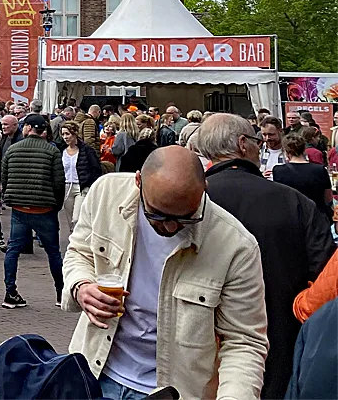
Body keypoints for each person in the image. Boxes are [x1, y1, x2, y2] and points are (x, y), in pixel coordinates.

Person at [63, 146, 269, 399]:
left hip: (175, 392)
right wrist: (81, 286)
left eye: (187, 217)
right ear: (138, 182)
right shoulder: (106, 192)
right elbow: (79, 252)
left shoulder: (236, 245)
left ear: (204, 187)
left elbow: (243, 342)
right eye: (157, 215)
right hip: (94, 374)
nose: (171, 226)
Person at [195, 114, 334, 398]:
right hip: (277, 341)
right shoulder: (294, 202)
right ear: (243, 144)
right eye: (259, 142)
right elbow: (325, 273)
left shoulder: (192, 201)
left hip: (201, 342)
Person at [0, 114, 64, 309]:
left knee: (13, 250)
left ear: (27, 128)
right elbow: (59, 182)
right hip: (44, 208)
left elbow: (4, 176)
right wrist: (56, 204)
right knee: (53, 252)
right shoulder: (52, 151)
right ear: (44, 130)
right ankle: (60, 293)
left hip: (19, 208)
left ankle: (10, 292)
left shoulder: (13, 149)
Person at [272, 131, 333, 221]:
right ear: (304, 148)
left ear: (286, 151)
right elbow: (328, 198)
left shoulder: (278, 171)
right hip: (317, 218)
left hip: (292, 218)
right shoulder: (319, 170)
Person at [58, 123, 102, 238]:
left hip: (81, 186)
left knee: (76, 218)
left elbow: (96, 168)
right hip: (67, 187)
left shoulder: (86, 150)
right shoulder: (61, 150)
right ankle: (76, 240)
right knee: (70, 220)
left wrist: (90, 184)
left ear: (75, 133)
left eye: (68, 133)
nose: (65, 137)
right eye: (63, 134)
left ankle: (78, 240)